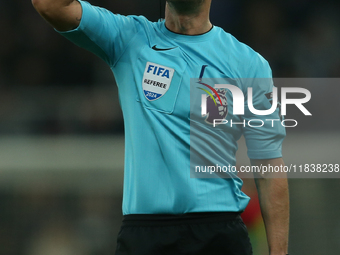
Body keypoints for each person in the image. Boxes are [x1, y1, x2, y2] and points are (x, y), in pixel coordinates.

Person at [31, 0, 289, 254]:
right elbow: (50, 5)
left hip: (219, 235)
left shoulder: (248, 64)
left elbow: (269, 167)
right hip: (145, 236)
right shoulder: (129, 38)